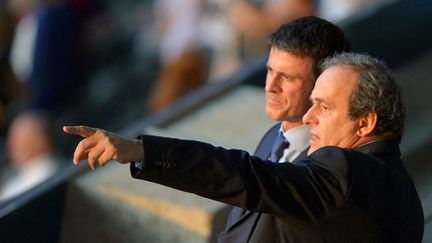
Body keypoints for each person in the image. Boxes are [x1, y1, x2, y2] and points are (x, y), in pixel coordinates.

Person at [64, 52, 424, 242]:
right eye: (312, 102)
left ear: (366, 123)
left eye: (324, 107)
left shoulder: (343, 169)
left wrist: (142, 151)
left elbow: (247, 176)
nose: (309, 116)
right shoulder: (407, 198)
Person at [0, 110, 60, 201]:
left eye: (17, 140)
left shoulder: (45, 171)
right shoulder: (22, 174)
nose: (10, 146)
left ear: (40, 141)